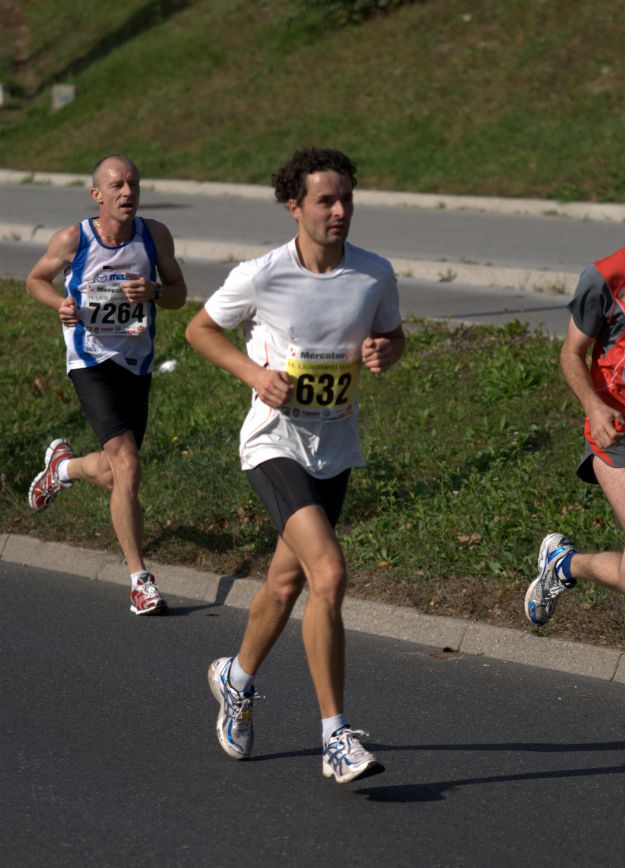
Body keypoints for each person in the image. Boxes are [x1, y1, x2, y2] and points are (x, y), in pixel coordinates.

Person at [186, 147, 405, 784]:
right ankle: (336, 738)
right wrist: (255, 374)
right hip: (274, 443)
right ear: (295, 206)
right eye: (324, 201)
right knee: (329, 574)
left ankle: (236, 678)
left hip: (333, 450)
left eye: (346, 200)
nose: (339, 212)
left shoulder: (373, 274)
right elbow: (201, 330)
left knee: (287, 585)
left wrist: (385, 350)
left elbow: (393, 334)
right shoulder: (262, 275)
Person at [26, 154, 187, 615]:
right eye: (116, 185)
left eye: (133, 184)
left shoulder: (154, 236)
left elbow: (179, 293)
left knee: (116, 472)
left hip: (136, 361)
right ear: (97, 194)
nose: (127, 192)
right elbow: (34, 280)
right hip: (89, 359)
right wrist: (59, 303)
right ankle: (141, 581)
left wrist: (154, 292)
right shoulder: (74, 238)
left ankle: (63, 469)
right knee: (128, 463)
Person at [525, 196, 625, 627]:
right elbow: (571, 353)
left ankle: (562, 564)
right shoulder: (608, 276)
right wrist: (594, 408)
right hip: (618, 435)